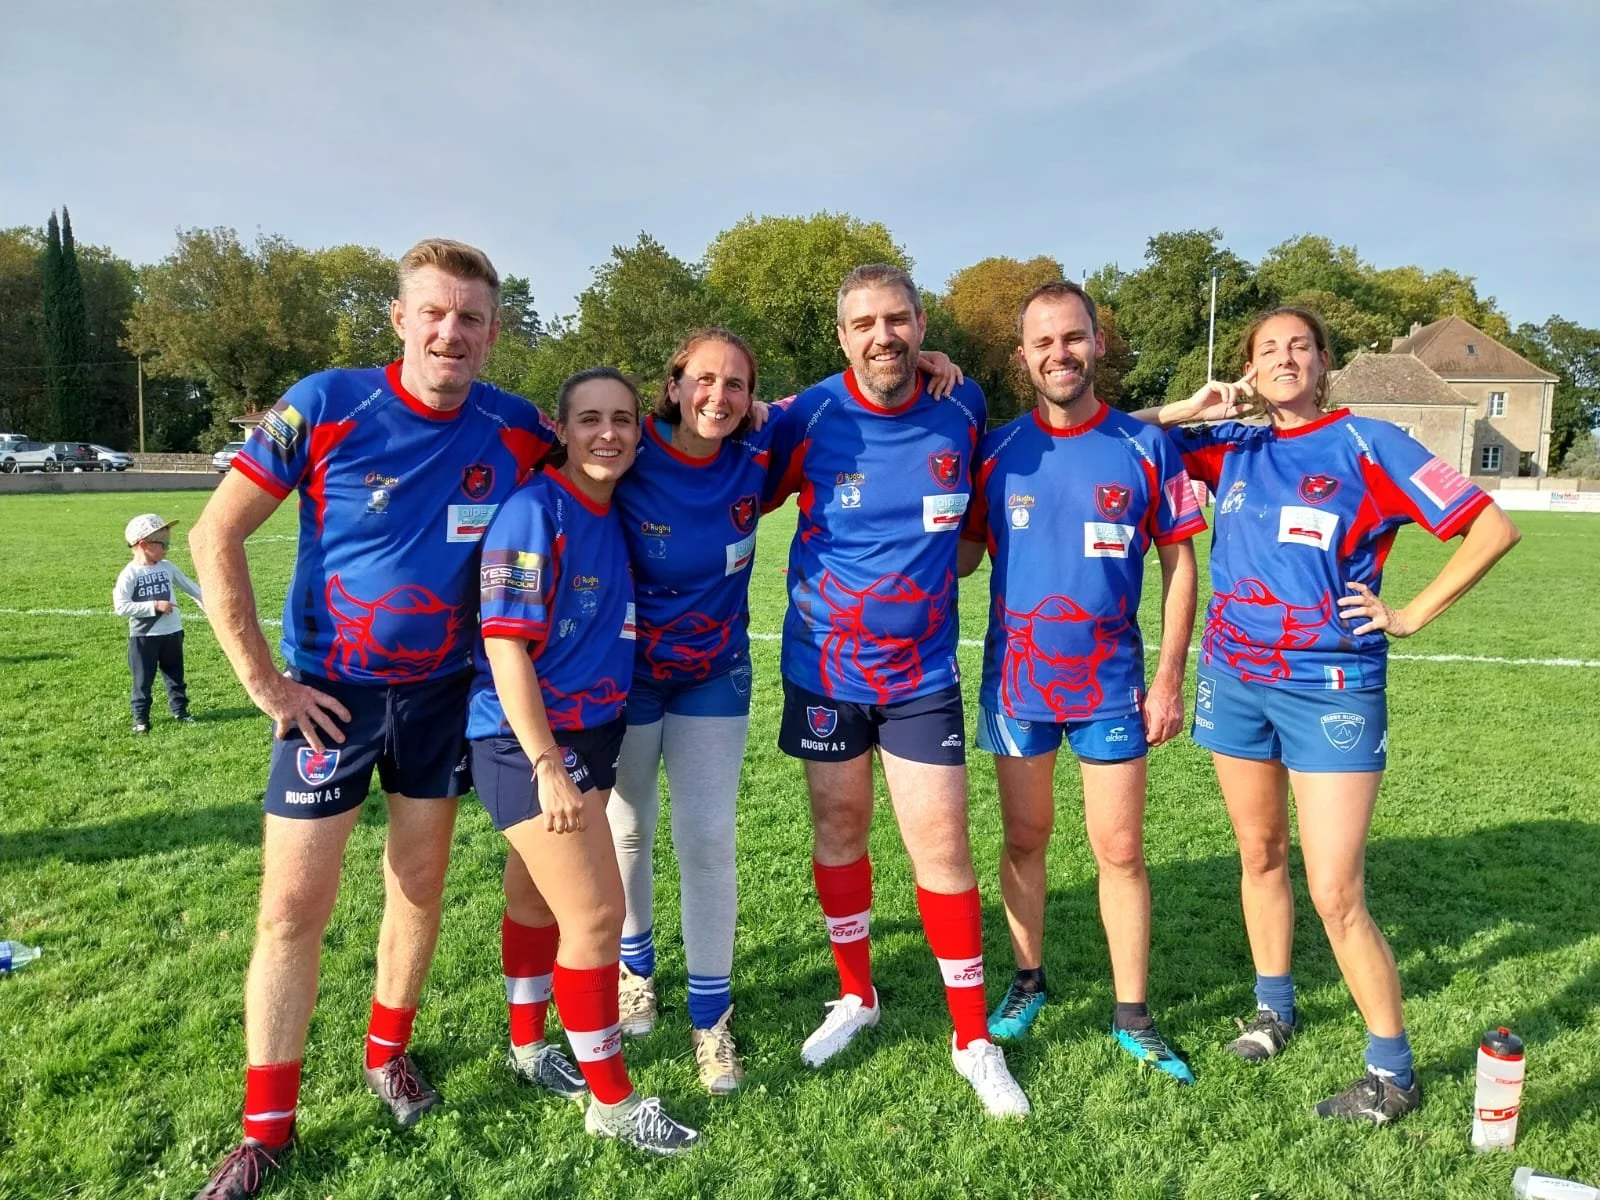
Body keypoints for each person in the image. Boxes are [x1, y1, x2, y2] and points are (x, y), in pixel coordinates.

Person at [187, 239, 561, 1199]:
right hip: (330, 699)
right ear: (399, 319)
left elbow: (619, 450)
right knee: (289, 912)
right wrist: (267, 685)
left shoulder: (516, 426)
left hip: (443, 697)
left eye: (470, 318)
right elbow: (213, 532)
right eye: (433, 313)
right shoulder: (325, 403)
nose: (451, 332)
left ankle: (385, 1052)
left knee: (419, 888)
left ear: (493, 332)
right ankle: (264, 1132)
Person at [1136, 305, 1520, 1124]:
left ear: (1324, 361)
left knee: (1336, 887)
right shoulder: (1229, 445)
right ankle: (1275, 1009)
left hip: (1332, 687)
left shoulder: (1368, 443)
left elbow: (1492, 526)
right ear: (1249, 367)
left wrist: (1410, 613)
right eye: (1266, 350)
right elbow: (1104, 437)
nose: (1283, 359)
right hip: (1234, 679)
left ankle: (1394, 1072)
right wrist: (1183, 411)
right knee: (1259, 852)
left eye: (1298, 347)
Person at [606, 329, 963, 1095]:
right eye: (704, 381)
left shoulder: (758, 454)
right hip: (622, 676)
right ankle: (636, 971)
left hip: (715, 673)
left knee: (707, 839)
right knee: (627, 826)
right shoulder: (627, 453)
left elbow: (832, 405)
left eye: (736, 384)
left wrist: (926, 363)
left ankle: (711, 1016)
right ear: (672, 386)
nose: (718, 397)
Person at [764, 263, 1029, 1118]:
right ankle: (857, 994)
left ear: (922, 325)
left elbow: (974, 534)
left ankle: (972, 1038)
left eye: (899, 319)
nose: (884, 336)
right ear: (842, 337)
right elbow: (726, 482)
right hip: (822, 670)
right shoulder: (806, 416)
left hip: (921, 676)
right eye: (865, 323)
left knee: (942, 849)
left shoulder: (964, 402)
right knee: (839, 830)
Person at [957, 281, 1205, 1083]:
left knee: (1121, 849)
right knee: (1025, 839)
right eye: (1042, 343)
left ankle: (1134, 1013)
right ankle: (1027, 981)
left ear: (1098, 344)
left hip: (1112, 686)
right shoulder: (995, 450)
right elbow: (959, 553)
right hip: (1016, 684)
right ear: (1022, 357)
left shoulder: (1145, 445)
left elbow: (1179, 563)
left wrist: (1169, 678)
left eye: (1073, 338)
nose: (1058, 354)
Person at [468, 366, 699, 1154]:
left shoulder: (610, 505)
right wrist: (544, 762)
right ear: (560, 431)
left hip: (591, 734)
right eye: (591, 419)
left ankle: (530, 1046)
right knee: (597, 917)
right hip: (525, 742)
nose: (609, 433)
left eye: (625, 420)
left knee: (536, 899)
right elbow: (505, 647)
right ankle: (611, 1099)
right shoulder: (535, 510)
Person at [114, 512, 204, 733]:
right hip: (144, 638)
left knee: (175, 676)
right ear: (143, 544)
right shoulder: (130, 574)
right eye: (163, 543)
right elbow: (121, 607)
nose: (167, 548)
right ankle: (141, 719)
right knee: (143, 680)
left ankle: (180, 711)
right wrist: (154, 605)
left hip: (173, 632)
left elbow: (192, 589)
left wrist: (211, 607)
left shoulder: (167, 567)